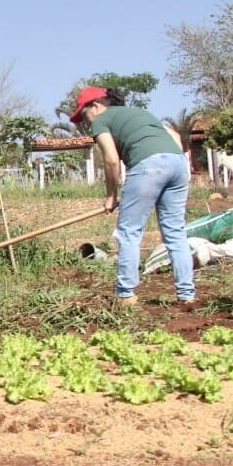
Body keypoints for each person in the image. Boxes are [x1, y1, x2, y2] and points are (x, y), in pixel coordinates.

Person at [69, 86, 194, 304]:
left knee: (129, 232)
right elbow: (173, 135)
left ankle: (125, 294)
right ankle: (186, 295)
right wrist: (170, 162)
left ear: (96, 105)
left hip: (148, 167)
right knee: (175, 232)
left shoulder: (101, 119)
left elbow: (111, 159)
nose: (84, 121)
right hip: (178, 163)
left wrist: (111, 196)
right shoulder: (139, 112)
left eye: (83, 114)